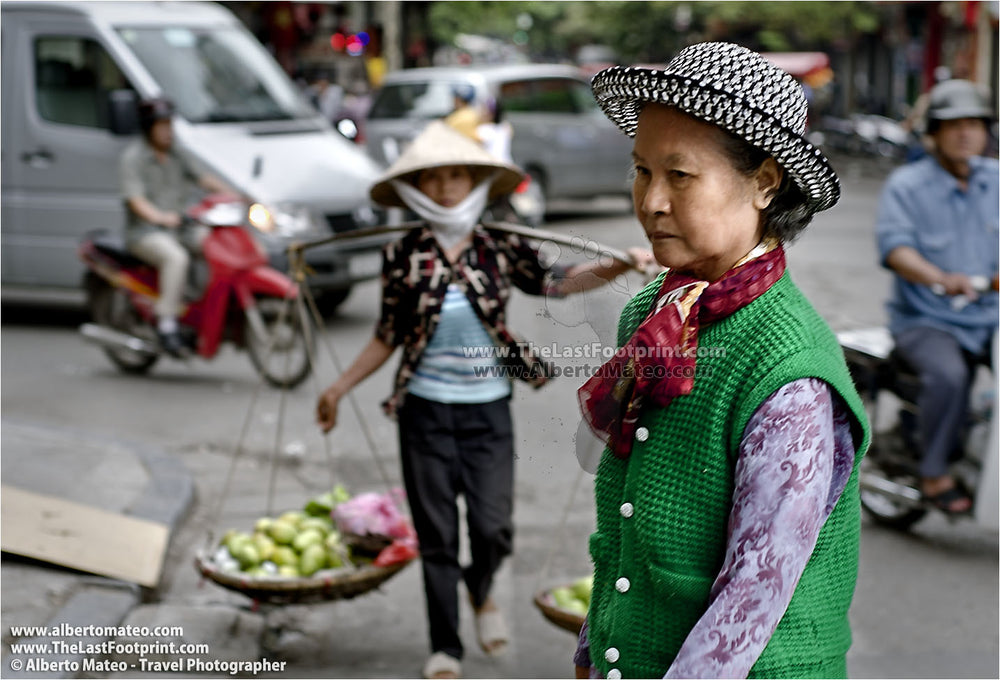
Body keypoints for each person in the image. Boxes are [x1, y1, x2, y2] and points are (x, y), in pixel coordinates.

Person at [573, 42, 871, 678]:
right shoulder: (659, 311)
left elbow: (751, 597)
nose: (651, 201)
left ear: (764, 182)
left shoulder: (789, 372)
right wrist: (594, 644)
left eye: (679, 176)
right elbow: (627, 521)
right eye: (641, 170)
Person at [314, 120, 653, 680]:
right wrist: (337, 387)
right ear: (418, 188)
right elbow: (387, 333)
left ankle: (480, 588)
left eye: (457, 176)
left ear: (473, 180)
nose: (446, 188)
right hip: (423, 410)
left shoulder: (497, 243)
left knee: (493, 527)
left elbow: (559, 282)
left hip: (487, 409)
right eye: (434, 179)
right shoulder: (403, 253)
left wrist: (618, 263)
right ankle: (445, 644)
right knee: (438, 534)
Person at [875, 78, 999, 515]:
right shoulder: (908, 185)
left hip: (990, 318)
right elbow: (896, 248)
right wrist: (941, 277)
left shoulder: (995, 179)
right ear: (935, 132)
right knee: (949, 377)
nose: (966, 133)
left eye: (974, 124)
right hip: (927, 320)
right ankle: (933, 473)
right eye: (954, 124)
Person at [119, 97, 233, 356]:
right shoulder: (133, 158)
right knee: (176, 258)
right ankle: (167, 322)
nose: (168, 131)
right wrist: (160, 217)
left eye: (170, 125)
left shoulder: (177, 153)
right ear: (149, 128)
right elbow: (135, 200)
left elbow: (205, 179)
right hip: (146, 233)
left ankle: (202, 307)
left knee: (213, 245)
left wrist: (235, 196)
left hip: (181, 228)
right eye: (162, 126)